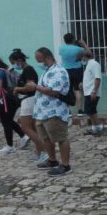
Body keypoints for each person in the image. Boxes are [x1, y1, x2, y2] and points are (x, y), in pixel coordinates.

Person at [32, 47, 72, 176]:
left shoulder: (58, 71)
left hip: (54, 111)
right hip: (42, 112)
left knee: (61, 138)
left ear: (48, 58)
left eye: (40, 60)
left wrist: (35, 87)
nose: (39, 63)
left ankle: (65, 165)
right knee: (46, 138)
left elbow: (53, 90)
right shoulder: (47, 71)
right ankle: (52, 160)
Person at [9, 50, 47, 161]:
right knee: (34, 128)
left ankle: (45, 150)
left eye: (14, 63)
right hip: (29, 100)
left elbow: (31, 87)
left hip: (29, 100)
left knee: (25, 127)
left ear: (19, 61)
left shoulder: (28, 70)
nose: (14, 66)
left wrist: (17, 89)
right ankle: (39, 152)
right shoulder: (26, 70)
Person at [0, 56, 27, 154]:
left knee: (5, 122)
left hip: (4, 99)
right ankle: (23, 136)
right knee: (9, 120)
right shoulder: (5, 70)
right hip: (12, 97)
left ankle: (10, 146)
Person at [59, 33, 85, 116]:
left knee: (67, 90)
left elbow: (61, 55)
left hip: (66, 71)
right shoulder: (79, 49)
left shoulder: (61, 48)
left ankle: (68, 111)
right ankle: (80, 111)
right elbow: (83, 56)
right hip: (77, 70)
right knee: (78, 90)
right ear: (73, 39)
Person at [80, 48, 103, 135]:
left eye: (82, 58)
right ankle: (95, 128)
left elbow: (98, 78)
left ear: (84, 57)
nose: (82, 60)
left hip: (92, 92)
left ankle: (99, 127)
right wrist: (83, 84)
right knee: (90, 111)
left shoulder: (94, 64)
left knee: (91, 111)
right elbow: (90, 78)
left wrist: (94, 91)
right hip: (88, 91)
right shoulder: (89, 65)